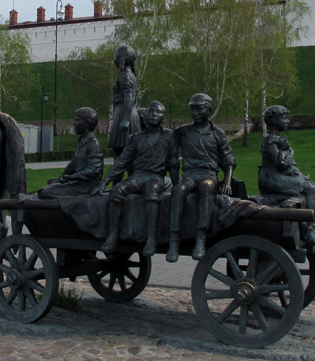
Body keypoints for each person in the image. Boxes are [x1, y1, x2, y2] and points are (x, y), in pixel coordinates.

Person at [100, 101, 179, 257]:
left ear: (164, 118)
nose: (154, 114)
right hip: (138, 176)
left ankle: (151, 237)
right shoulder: (135, 138)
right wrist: (105, 180)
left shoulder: (169, 136)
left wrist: (176, 184)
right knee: (117, 190)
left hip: (156, 176)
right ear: (144, 117)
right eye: (151, 111)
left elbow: (173, 162)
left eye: (158, 112)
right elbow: (122, 161)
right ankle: (113, 234)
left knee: (152, 191)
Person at [167, 93, 236, 262]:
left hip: (209, 175)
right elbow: (166, 144)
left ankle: (201, 238)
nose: (195, 113)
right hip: (189, 175)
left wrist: (227, 182)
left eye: (199, 109)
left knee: (206, 186)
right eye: (193, 109)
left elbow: (228, 161)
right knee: (179, 188)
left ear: (209, 110)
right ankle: (174, 239)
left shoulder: (218, 134)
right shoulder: (183, 132)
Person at [258, 105, 315, 249]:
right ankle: (309, 231)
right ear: (274, 120)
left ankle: (307, 229)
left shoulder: (278, 140)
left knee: (309, 187)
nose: (287, 121)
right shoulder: (270, 141)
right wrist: (289, 150)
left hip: (277, 177)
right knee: (311, 188)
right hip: (271, 180)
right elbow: (281, 162)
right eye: (284, 118)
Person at [38, 107, 104, 198]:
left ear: (87, 123)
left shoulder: (93, 144)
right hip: (78, 182)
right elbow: (74, 163)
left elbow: (93, 170)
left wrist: (71, 177)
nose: (74, 124)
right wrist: (61, 177)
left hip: (86, 186)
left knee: (45, 193)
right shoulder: (82, 142)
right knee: (47, 188)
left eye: (77, 120)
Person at [106, 45, 140, 182]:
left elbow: (128, 98)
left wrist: (125, 119)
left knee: (125, 153)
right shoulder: (124, 74)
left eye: (116, 56)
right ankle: (119, 184)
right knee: (120, 153)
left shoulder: (126, 75)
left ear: (122, 59)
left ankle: (133, 183)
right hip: (124, 113)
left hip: (125, 114)